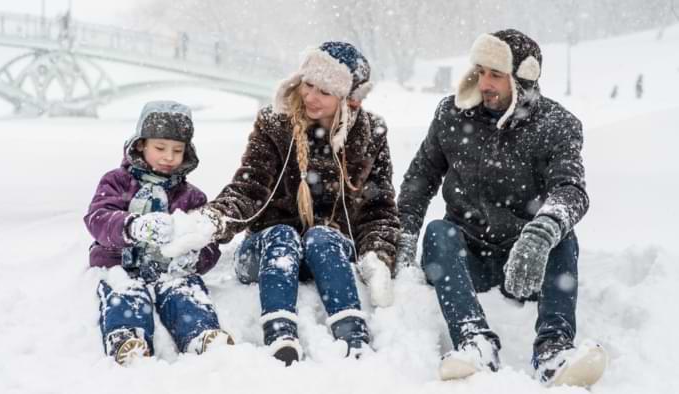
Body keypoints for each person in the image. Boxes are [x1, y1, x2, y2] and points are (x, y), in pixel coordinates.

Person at [396, 29, 606, 387]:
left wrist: (540, 234)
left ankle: (554, 350)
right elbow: (420, 180)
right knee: (437, 232)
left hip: (527, 262)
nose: (485, 83)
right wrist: (402, 237)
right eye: (480, 71)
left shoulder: (557, 125)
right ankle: (474, 341)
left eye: (496, 74)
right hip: (468, 257)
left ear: (522, 79)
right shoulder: (451, 114)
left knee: (562, 234)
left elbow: (571, 189)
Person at [184, 42, 399, 366]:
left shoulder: (371, 133)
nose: (310, 96)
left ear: (347, 98)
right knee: (282, 234)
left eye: (324, 91)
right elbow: (249, 188)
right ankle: (280, 334)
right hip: (267, 250)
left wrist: (378, 255)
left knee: (323, 236)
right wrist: (213, 220)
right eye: (308, 84)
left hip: (326, 254)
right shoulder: (275, 123)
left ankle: (353, 334)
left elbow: (378, 206)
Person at [84, 101, 234, 365]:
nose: (169, 157)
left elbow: (207, 241)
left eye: (177, 150)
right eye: (160, 148)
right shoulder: (116, 182)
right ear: (141, 144)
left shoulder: (191, 196)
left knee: (185, 291)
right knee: (125, 292)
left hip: (169, 269)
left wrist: (195, 257)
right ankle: (127, 337)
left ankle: (201, 334)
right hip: (120, 264)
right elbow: (98, 218)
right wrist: (132, 226)